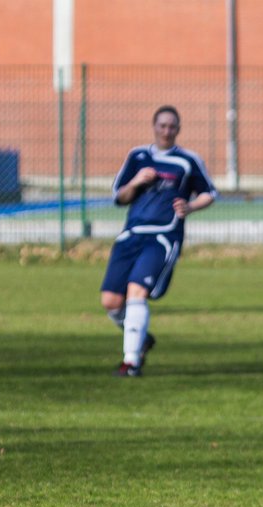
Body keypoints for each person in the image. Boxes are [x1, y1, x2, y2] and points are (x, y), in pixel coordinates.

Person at [99, 105, 217, 377]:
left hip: (163, 236)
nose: (166, 131)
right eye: (162, 126)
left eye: (172, 126)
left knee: (136, 292)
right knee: (111, 302)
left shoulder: (187, 161)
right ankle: (142, 338)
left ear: (178, 129)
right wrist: (137, 181)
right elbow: (120, 197)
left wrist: (191, 206)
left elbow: (209, 193)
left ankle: (131, 362)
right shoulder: (138, 156)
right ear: (154, 127)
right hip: (130, 235)